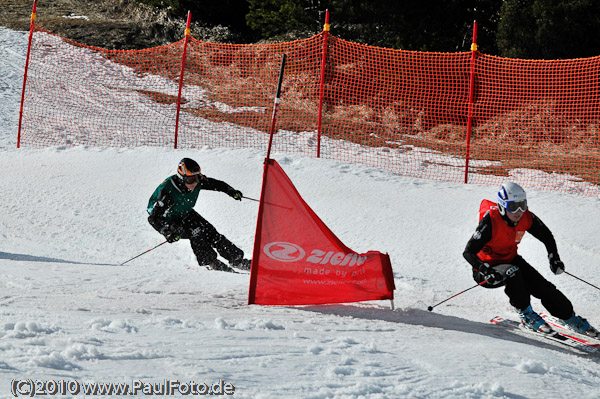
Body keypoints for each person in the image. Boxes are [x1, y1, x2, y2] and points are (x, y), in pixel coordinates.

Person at [463, 182, 598, 337]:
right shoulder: (490, 221)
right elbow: (468, 252)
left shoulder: (525, 217)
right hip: (487, 270)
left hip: (511, 259)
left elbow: (547, 236)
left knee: (543, 287)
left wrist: (553, 257)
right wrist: (485, 270)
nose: (519, 211)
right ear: (502, 206)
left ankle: (569, 317)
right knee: (513, 273)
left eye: (522, 205)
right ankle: (526, 314)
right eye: (513, 207)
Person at [147, 158, 251, 273]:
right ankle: (210, 263)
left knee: (210, 231)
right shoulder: (168, 193)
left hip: (185, 211)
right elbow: (153, 218)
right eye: (191, 179)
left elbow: (216, 184)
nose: (195, 182)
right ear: (182, 178)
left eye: (197, 177)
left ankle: (237, 260)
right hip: (170, 220)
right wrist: (166, 231)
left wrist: (231, 191)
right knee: (196, 232)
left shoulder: (196, 181)